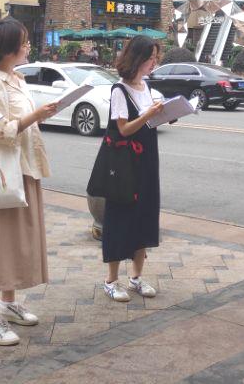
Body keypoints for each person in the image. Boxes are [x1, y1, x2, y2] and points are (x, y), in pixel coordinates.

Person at [0, 18, 61, 346]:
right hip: (4, 174)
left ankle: (8, 303)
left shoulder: (17, 79)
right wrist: (35, 116)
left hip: (25, 168)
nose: (28, 47)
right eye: (23, 42)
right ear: (8, 48)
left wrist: (37, 116)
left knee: (15, 242)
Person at [102, 35, 166, 303]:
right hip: (125, 164)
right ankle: (111, 280)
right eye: (150, 58)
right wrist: (148, 114)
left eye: (155, 58)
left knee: (145, 216)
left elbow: (147, 123)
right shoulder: (120, 90)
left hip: (147, 160)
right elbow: (124, 129)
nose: (154, 62)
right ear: (137, 58)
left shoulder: (146, 86)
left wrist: (164, 114)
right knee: (120, 218)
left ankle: (136, 277)